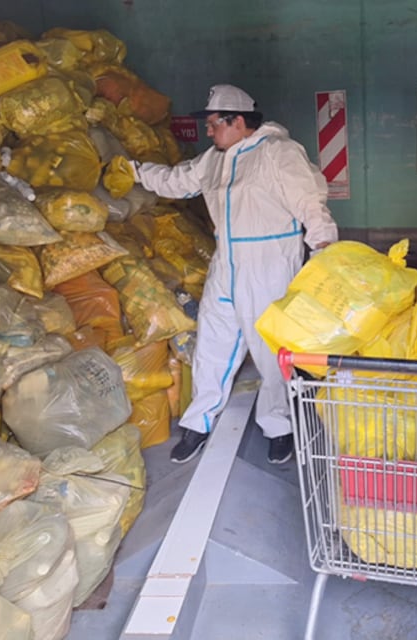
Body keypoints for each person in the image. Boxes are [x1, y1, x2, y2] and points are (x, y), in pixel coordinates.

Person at [132, 84, 338, 465]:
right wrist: (134, 171)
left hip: (270, 262)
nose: (208, 131)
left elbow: (310, 202)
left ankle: (279, 426)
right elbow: (177, 180)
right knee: (212, 341)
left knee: (271, 349)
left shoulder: (278, 153)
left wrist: (325, 250)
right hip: (226, 260)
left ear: (238, 122)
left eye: (214, 124)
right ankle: (198, 423)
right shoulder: (213, 160)